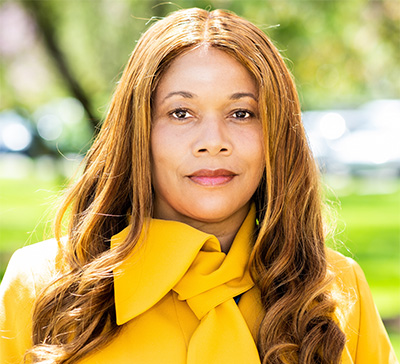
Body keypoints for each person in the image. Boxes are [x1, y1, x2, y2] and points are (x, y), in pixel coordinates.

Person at [0, 7, 397, 364]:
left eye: (242, 113)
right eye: (181, 113)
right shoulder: (42, 282)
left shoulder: (336, 288)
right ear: (140, 132)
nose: (213, 140)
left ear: (277, 133)